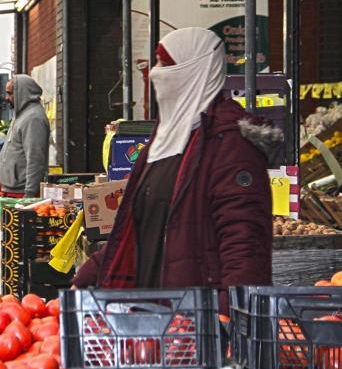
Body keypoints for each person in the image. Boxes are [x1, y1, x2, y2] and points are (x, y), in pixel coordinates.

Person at [73, 28, 278, 312]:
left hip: (198, 323)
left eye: (166, 65)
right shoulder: (164, 140)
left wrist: (231, 317)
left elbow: (244, 243)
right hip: (153, 316)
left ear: (196, 70)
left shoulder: (230, 144)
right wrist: (92, 271)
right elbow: (141, 225)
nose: (156, 74)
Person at [0, 75, 50, 198]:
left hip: (22, 193)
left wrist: (29, 194)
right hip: (14, 191)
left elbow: (35, 159)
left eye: (10, 93)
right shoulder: (22, 114)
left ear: (21, 92)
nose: (7, 98)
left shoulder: (33, 119)